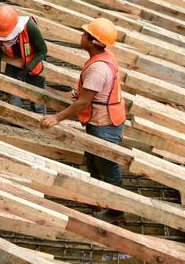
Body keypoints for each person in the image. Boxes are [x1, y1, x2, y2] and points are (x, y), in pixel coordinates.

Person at [40, 18, 127, 204]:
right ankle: (95, 197)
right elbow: (94, 92)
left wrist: (57, 118)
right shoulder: (103, 57)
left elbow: (83, 104)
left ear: (93, 41)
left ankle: (117, 209)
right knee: (93, 159)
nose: (82, 35)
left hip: (104, 125)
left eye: (85, 34)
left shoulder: (97, 69)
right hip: (103, 121)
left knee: (108, 165)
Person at [0, 5, 49, 114]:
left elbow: (43, 52)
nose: (4, 39)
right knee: (13, 97)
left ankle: (40, 120)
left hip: (33, 61)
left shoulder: (29, 27)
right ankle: (15, 122)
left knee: (37, 97)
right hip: (13, 62)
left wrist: (27, 70)